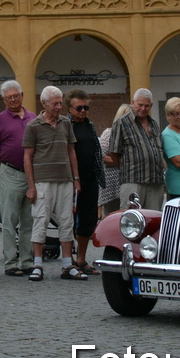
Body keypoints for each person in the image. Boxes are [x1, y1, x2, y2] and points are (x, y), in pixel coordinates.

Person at [22, 86, 81, 282]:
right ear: (44, 103)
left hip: (64, 180)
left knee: (66, 221)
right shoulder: (33, 126)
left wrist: (76, 178)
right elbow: (27, 157)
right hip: (42, 181)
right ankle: (37, 264)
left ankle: (67, 264)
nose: (59, 107)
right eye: (55, 103)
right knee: (41, 220)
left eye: (60, 103)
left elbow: (71, 151)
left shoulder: (66, 123)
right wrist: (31, 186)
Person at [0, 79, 36, 276]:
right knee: (10, 220)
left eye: (15, 96)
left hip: (30, 174)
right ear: (3, 100)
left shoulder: (32, 117)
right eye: (8, 98)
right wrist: (1, 167)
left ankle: (27, 261)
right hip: (10, 172)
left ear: (22, 96)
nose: (13, 100)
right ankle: (10, 263)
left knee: (28, 220)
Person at [106, 89, 165, 209]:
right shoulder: (122, 123)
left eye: (146, 106)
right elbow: (113, 152)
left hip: (155, 181)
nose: (143, 108)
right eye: (140, 105)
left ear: (151, 106)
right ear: (133, 103)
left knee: (153, 217)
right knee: (131, 216)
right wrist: (127, 167)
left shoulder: (154, 124)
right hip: (133, 180)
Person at [68, 90, 104, 275]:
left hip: (90, 178)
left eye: (86, 107)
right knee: (69, 220)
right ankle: (69, 260)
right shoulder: (66, 125)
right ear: (69, 108)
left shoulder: (90, 125)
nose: (83, 111)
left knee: (89, 220)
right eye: (79, 108)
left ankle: (81, 259)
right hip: (71, 180)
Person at [97, 103, 128, 214]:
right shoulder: (109, 133)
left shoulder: (134, 136)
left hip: (127, 181)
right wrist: (122, 162)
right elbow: (101, 157)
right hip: (111, 184)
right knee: (111, 216)